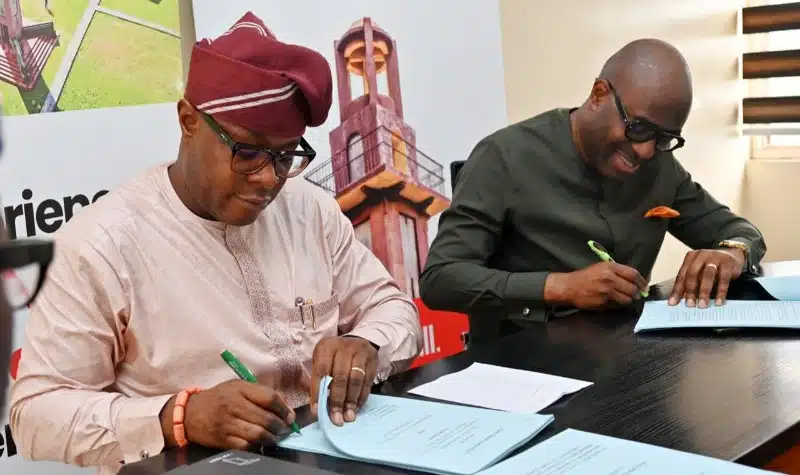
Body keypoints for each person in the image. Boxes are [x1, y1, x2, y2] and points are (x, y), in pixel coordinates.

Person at [10, 12, 422, 474]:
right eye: (246, 152)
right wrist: (176, 417)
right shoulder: (101, 246)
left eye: (286, 157)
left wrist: (368, 342)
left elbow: (395, 309)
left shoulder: (310, 210)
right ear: (188, 121)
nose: (268, 179)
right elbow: (34, 416)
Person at [420, 38, 766, 345]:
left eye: (664, 139)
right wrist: (560, 287)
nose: (646, 151)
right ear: (599, 94)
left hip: (629, 360)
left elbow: (740, 232)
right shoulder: (504, 158)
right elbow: (441, 279)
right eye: (639, 128)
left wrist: (732, 254)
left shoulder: (660, 167)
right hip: (525, 366)